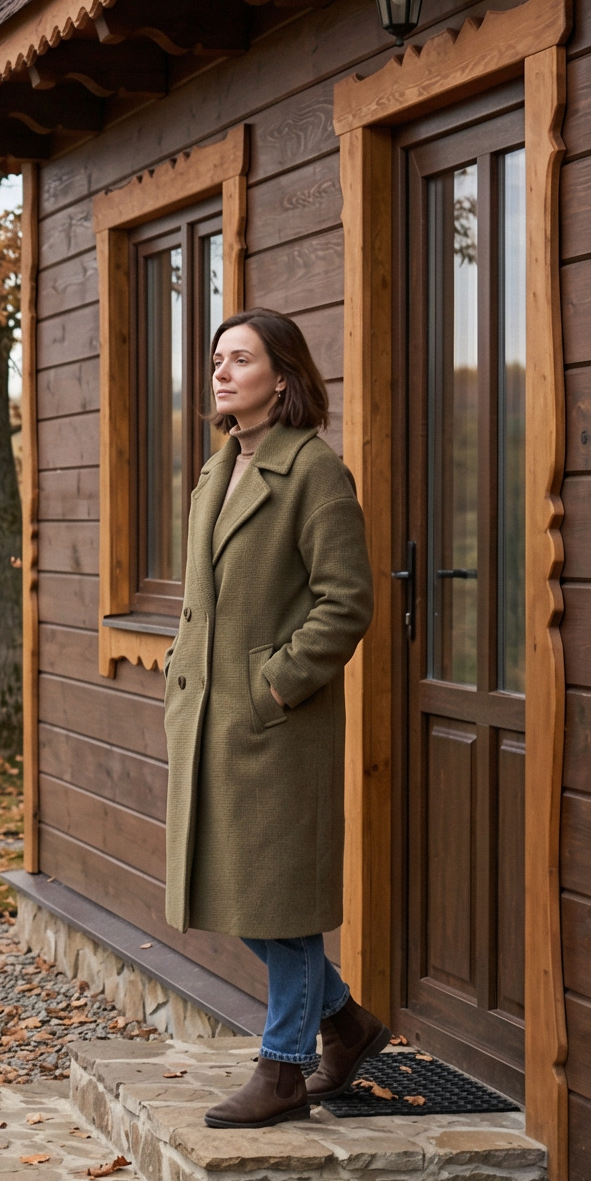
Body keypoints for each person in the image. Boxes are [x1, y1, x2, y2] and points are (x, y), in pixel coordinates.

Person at [161, 308, 382, 1127]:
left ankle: (284, 1068)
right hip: (208, 721)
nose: (221, 372)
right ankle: (346, 1024)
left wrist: (273, 687)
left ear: (282, 378)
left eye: (241, 360)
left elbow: (346, 602)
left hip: (274, 730)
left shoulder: (315, 472)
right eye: (218, 358)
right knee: (232, 891)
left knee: (280, 907)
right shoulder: (217, 470)